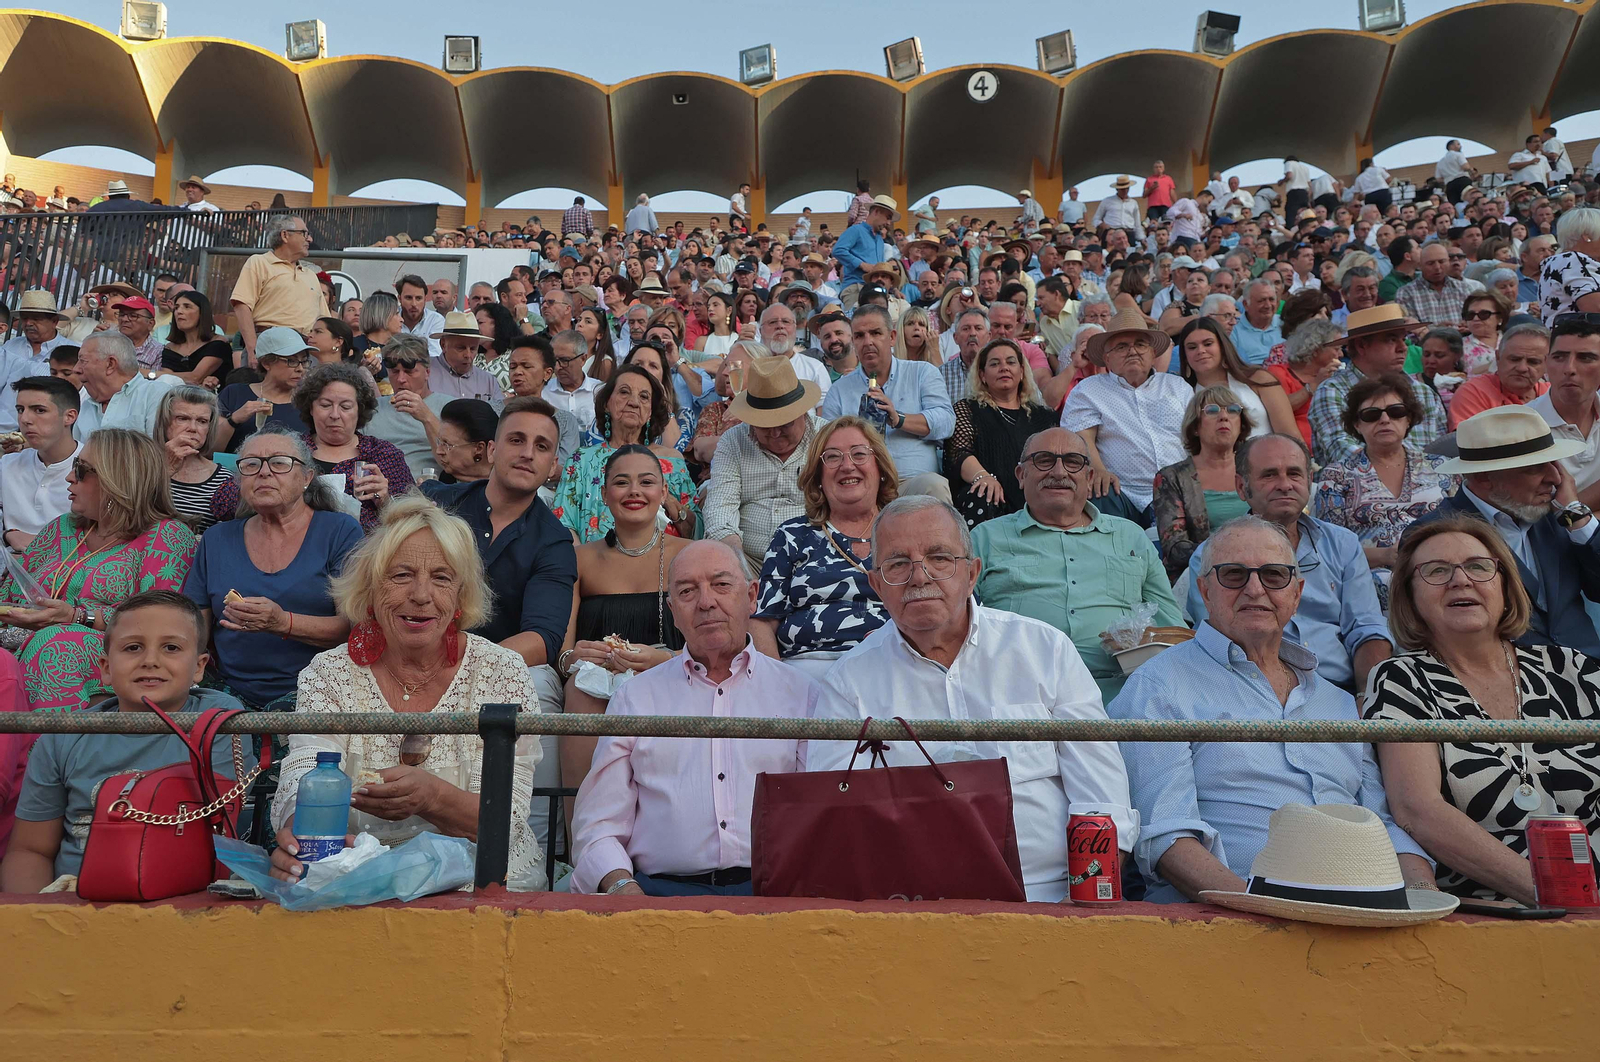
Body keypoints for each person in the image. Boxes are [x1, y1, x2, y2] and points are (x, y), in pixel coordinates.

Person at [810, 496, 1135, 903]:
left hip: (1049, 899)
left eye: (939, 557)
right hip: (911, 910)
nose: (919, 577)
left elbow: (1102, 800)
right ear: (876, 585)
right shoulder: (847, 682)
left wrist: (1080, 903)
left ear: (972, 573)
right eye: (897, 564)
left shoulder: (1044, 649)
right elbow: (836, 821)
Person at [1109, 516, 1434, 904]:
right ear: (1204, 591)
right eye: (1233, 574)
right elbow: (1166, 839)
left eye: (1274, 575)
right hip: (1229, 921)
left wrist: (1422, 895)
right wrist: (1263, 906)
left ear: (1296, 594)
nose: (1254, 589)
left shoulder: (1338, 702)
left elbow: (1384, 822)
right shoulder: (1158, 686)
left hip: (1359, 915)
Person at [267, 497, 546, 889]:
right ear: (369, 588)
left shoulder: (502, 671)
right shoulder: (328, 672)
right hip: (358, 881)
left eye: (442, 577)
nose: (421, 594)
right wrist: (297, 837)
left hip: (486, 884)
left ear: (460, 596)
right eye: (401, 575)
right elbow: (301, 777)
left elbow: (510, 819)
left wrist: (433, 797)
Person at [1364, 517, 1600, 903]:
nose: (1461, 580)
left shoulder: (1571, 667)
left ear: (1505, 585)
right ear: (1410, 596)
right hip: (1501, 913)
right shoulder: (1400, 679)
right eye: (1436, 571)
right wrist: (1556, 897)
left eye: (1478, 566)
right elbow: (1417, 809)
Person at [570, 540, 817, 897]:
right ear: (672, 610)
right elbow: (598, 823)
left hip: (775, 895)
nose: (705, 602)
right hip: (656, 895)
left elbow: (820, 817)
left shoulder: (801, 694)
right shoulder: (636, 697)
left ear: (751, 596)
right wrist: (622, 886)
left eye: (721, 585)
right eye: (687, 591)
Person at [0, 592, 250, 893]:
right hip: (72, 904)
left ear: (199, 667)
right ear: (105, 667)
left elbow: (216, 837)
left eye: (171, 647)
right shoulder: (64, 736)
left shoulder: (218, 722)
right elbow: (30, 850)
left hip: (183, 903)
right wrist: (34, 924)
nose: (150, 661)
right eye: (133, 648)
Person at [973, 428, 1181, 705]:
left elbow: (1172, 626)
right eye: (1044, 460)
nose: (1059, 472)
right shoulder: (985, 538)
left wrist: (1143, 644)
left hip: (1121, 696)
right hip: (1019, 696)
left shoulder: (1130, 536)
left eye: (1072, 462)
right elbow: (956, 622)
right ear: (1021, 475)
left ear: (1089, 476)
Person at [0, 429, 198, 712]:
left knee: (56, 644)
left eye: (81, 470)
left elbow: (159, 621)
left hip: (118, 652)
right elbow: (9, 592)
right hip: (21, 642)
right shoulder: (62, 527)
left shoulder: (166, 536)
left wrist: (76, 616)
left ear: (117, 478)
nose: (70, 477)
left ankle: (49, 755)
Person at [1187, 434, 1392, 692]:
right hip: (1252, 693)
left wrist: (1368, 697)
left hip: (1344, 693)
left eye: (1294, 474)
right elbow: (1220, 647)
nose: (1284, 485)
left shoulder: (1343, 545)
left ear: (1309, 481)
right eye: (1269, 475)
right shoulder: (1212, 557)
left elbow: (1367, 631)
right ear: (1241, 487)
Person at [184, 426, 362, 711]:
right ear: (240, 481)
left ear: (306, 477)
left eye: (279, 463)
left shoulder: (339, 531)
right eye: (251, 465)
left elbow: (353, 628)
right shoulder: (217, 539)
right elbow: (195, 629)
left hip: (319, 691)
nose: (264, 473)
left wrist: (282, 623)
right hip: (228, 693)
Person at [553, 446, 691, 806]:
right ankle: (579, 845)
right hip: (595, 683)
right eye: (621, 482)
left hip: (672, 675)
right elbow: (563, 655)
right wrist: (574, 657)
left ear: (663, 492)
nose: (634, 491)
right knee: (581, 690)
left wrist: (666, 659)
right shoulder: (579, 559)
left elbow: (709, 648)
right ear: (604, 494)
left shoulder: (688, 554)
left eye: (646, 482)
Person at [1413, 405, 1600, 658]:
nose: (1556, 478)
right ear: (1483, 477)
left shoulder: (1558, 514)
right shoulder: (1433, 537)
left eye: (1554, 463)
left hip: (1588, 670)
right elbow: (1439, 633)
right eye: (1534, 467)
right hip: (1509, 684)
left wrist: (1576, 514)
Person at [751, 416, 895, 679]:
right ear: (817, 476)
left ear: (880, 468)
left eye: (859, 454)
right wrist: (776, 683)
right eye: (832, 457)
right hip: (807, 674)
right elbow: (762, 621)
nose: (847, 465)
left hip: (894, 667)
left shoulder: (905, 531)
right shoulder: (792, 535)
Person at [1313, 374, 1459, 610]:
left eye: (1396, 411)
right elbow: (1329, 548)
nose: (1384, 419)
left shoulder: (1443, 467)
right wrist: (1385, 556)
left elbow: (1465, 528)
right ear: (1357, 425)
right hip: (1370, 583)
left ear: (1409, 418)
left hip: (1442, 571)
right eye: (1371, 415)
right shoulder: (1336, 476)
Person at [1060, 307, 1190, 522]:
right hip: (1120, 492)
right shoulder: (1089, 390)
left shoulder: (1177, 387)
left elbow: (1198, 435)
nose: (1132, 351)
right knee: (1097, 491)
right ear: (1107, 358)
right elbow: (1081, 437)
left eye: (1140, 344)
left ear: (1152, 353)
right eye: (1122, 346)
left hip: (1176, 490)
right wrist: (1099, 469)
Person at [551, 364, 697, 544]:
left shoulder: (672, 461)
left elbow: (695, 532)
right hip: (593, 565)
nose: (634, 402)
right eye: (624, 392)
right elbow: (563, 524)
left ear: (650, 412)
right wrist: (585, 565)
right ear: (606, 404)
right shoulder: (581, 460)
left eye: (644, 397)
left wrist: (670, 503)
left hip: (661, 566)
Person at [819, 305, 953, 497]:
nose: (867, 342)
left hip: (912, 482)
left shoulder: (921, 373)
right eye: (859, 336)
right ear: (853, 341)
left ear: (892, 337)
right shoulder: (839, 390)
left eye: (875, 333)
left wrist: (898, 419)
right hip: (861, 486)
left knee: (934, 485)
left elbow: (946, 422)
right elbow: (828, 445)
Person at [703, 357, 821, 574]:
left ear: (802, 412)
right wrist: (741, 572)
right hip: (750, 561)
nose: (775, 433)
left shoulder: (827, 438)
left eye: (785, 424)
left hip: (818, 557)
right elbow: (720, 511)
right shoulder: (733, 441)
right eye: (765, 425)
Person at [940, 338, 1059, 527]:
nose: (1004, 367)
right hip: (990, 497)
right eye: (994, 364)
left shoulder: (1045, 416)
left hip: (1037, 494)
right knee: (982, 493)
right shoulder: (967, 409)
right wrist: (983, 476)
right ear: (983, 375)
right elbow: (959, 453)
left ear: (1021, 372)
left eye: (1011, 362)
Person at [1310, 305, 1448, 468]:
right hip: (1359, 490)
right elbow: (1344, 453)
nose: (1403, 347)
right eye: (1391, 340)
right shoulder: (1332, 392)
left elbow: (1442, 454)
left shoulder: (1424, 393)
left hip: (1428, 487)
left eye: (1403, 339)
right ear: (1361, 346)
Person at [1153, 387, 1256, 583]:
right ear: (1195, 426)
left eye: (1233, 410)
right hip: (1200, 578)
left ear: (1241, 424)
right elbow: (1175, 548)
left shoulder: (1258, 469)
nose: (1224, 416)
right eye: (1212, 410)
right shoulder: (1172, 477)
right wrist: (1234, 554)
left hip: (1261, 569)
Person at [1174, 317, 1296, 440]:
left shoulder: (1258, 378)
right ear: (1184, 356)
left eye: (1208, 344)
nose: (1200, 351)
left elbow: (1290, 436)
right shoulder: (1184, 396)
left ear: (1222, 346)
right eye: (1192, 347)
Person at [0, 376, 80, 552]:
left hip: (70, 570)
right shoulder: (7, 464)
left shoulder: (94, 467)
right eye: (20, 409)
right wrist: (7, 534)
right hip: (10, 567)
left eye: (39, 410)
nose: (25, 419)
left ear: (69, 416)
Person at [230, 215, 323, 367]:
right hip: (270, 345)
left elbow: (323, 319)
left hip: (306, 350)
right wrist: (254, 349)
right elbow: (242, 305)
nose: (310, 239)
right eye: (304, 233)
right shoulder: (258, 262)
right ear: (285, 235)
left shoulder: (311, 275)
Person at [1531, 314, 1600, 501]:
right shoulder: (1523, 426)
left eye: (1586, 358)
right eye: (1559, 357)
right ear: (1546, 363)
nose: (1569, 368)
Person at [362, 334, 451, 477]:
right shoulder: (373, 409)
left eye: (409, 372)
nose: (401, 379)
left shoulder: (448, 407)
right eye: (395, 372)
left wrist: (427, 417)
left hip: (429, 488)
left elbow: (455, 463)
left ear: (427, 372)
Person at [215, 327, 311, 453]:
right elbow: (212, 450)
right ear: (266, 363)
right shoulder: (234, 393)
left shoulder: (308, 402)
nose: (300, 369)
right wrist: (233, 420)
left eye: (304, 361)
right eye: (291, 361)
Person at [73, 330, 183, 438]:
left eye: (83, 361)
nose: (76, 369)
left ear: (110, 364)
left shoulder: (156, 395)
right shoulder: (86, 404)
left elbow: (158, 452)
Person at [157, 385, 234, 534]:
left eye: (202, 421)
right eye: (182, 418)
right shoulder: (139, 465)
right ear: (165, 422)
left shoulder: (223, 479)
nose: (193, 428)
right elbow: (126, 515)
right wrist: (164, 470)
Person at [1446, 323, 1551, 428]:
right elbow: (1467, 441)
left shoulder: (1552, 394)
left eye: (1533, 362)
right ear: (1498, 358)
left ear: (1547, 365)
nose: (1522, 368)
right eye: (1514, 359)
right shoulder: (1473, 393)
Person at [1267, 318, 1345, 448]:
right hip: (1300, 449)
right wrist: (1313, 386)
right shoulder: (1279, 373)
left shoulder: (1336, 375)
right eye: (1336, 349)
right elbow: (1279, 409)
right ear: (1315, 349)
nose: (1341, 354)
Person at [0, 291, 69, 433]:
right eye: (24, 319)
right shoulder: (10, 346)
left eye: (36, 319)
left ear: (54, 321)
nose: (28, 323)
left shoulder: (71, 351)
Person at [1538, 206, 1600, 324]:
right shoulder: (1573, 260)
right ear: (1587, 236)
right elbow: (1595, 308)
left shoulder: (1557, 262)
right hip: (1581, 339)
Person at [429, 311, 504, 405]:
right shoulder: (425, 373)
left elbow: (500, 415)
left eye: (473, 349)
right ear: (443, 345)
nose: (468, 355)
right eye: (461, 348)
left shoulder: (488, 381)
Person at [159, 289, 231, 386]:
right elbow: (166, 382)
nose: (179, 311)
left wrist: (149, 373)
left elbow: (195, 378)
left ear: (202, 312)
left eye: (187, 307)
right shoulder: (170, 348)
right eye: (176, 308)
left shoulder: (218, 344)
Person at [1230, 279, 1284, 366]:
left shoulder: (1285, 324)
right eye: (1261, 301)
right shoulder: (1233, 328)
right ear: (1246, 305)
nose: (1268, 305)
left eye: (1271, 299)